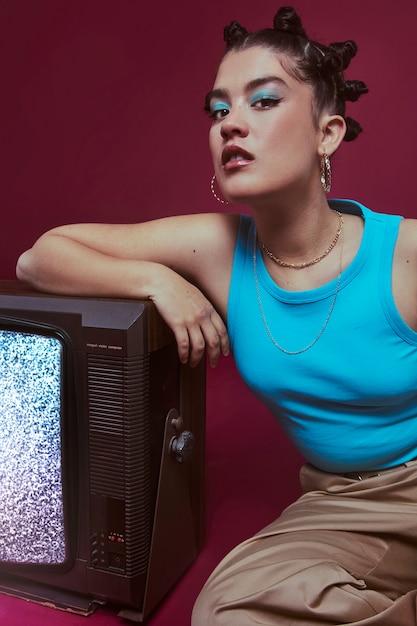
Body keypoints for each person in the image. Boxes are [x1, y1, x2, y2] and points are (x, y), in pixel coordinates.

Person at [16, 6, 417, 625]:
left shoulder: (406, 255)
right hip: (342, 505)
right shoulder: (217, 247)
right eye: (219, 110)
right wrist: (154, 280)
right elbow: (38, 259)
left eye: (263, 102)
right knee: (228, 612)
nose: (231, 125)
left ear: (327, 133)